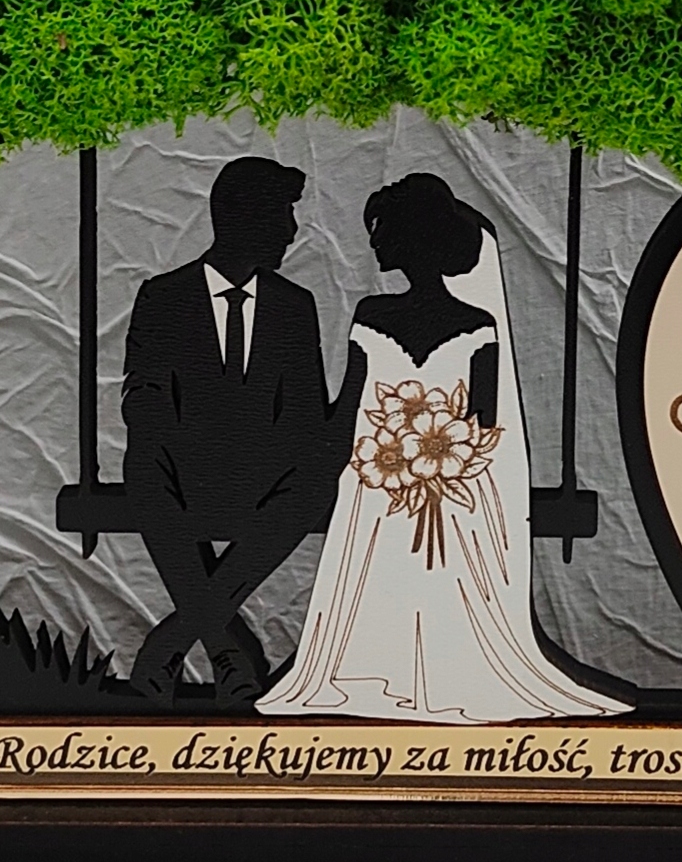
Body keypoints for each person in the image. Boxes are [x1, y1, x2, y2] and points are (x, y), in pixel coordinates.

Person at [258, 173, 626, 722]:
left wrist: (426, 458)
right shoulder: (382, 316)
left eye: (381, 231)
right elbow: (354, 411)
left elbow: (483, 424)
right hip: (379, 481)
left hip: (429, 483)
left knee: (434, 572)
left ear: (411, 238)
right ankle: (382, 669)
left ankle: (433, 670)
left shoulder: (463, 325)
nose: (374, 243)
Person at [120, 157, 356, 702]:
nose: (292, 231)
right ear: (241, 217)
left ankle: (177, 640)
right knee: (143, 462)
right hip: (185, 472)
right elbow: (143, 399)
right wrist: (193, 447)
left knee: (315, 479)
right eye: (282, 215)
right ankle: (227, 651)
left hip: (263, 478)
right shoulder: (164, 297)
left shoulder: (294, 307)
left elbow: (304, 413)